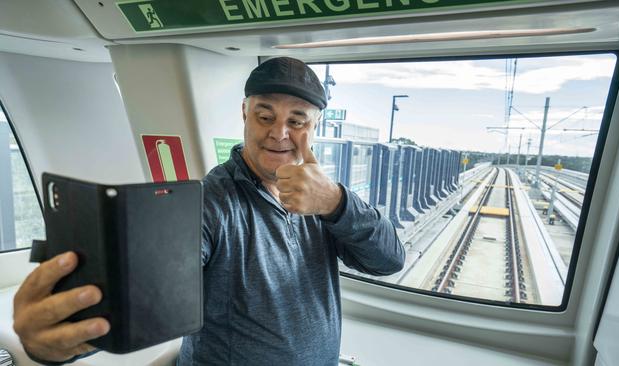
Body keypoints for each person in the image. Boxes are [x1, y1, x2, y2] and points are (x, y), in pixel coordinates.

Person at [12, 57, 405, 365]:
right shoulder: (208, 203)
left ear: (315, 127)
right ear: (244, 114)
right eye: (265, 115)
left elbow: (389, 260)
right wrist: (58, 339)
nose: (279, 133)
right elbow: (150, 288)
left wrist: (336, 203)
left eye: (297, 121)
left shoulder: (326, 197)